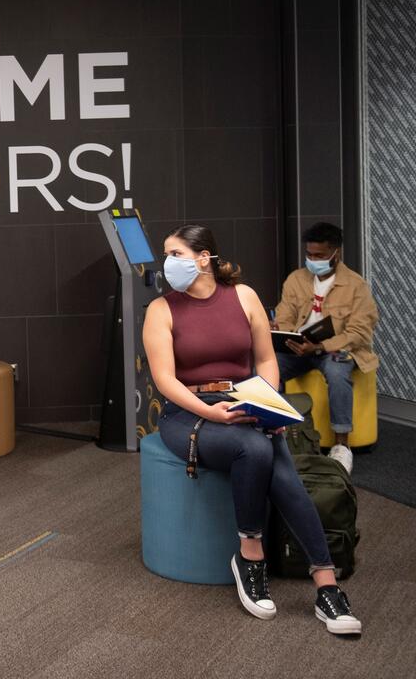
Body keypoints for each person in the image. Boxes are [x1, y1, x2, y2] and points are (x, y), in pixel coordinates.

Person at [142, 224, 363, 635]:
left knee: (274, 457)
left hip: (245, 400)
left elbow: (265, 360)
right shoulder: (161, 310)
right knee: (259, 449)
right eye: (166, 255)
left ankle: (325, 584)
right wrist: (213, 414)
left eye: (175, 254)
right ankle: (252, 553)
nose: (167, 264)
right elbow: (165, 381)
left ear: (203, 258)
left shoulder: (244, 297)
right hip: (188, 412)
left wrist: (267, 402)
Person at [272, 222, 379, 473]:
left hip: (335, 350)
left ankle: (342, 444)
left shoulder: (356, 286)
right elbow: (285, 315)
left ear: (335, 254)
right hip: (299, 349)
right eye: (309, 254)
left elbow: (360, 332)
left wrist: (320, 346)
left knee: (336, 371)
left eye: (319, 255)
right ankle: (274, 433)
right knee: (268, 366)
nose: (312, 260)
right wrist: (286, 336)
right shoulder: (296, 279)